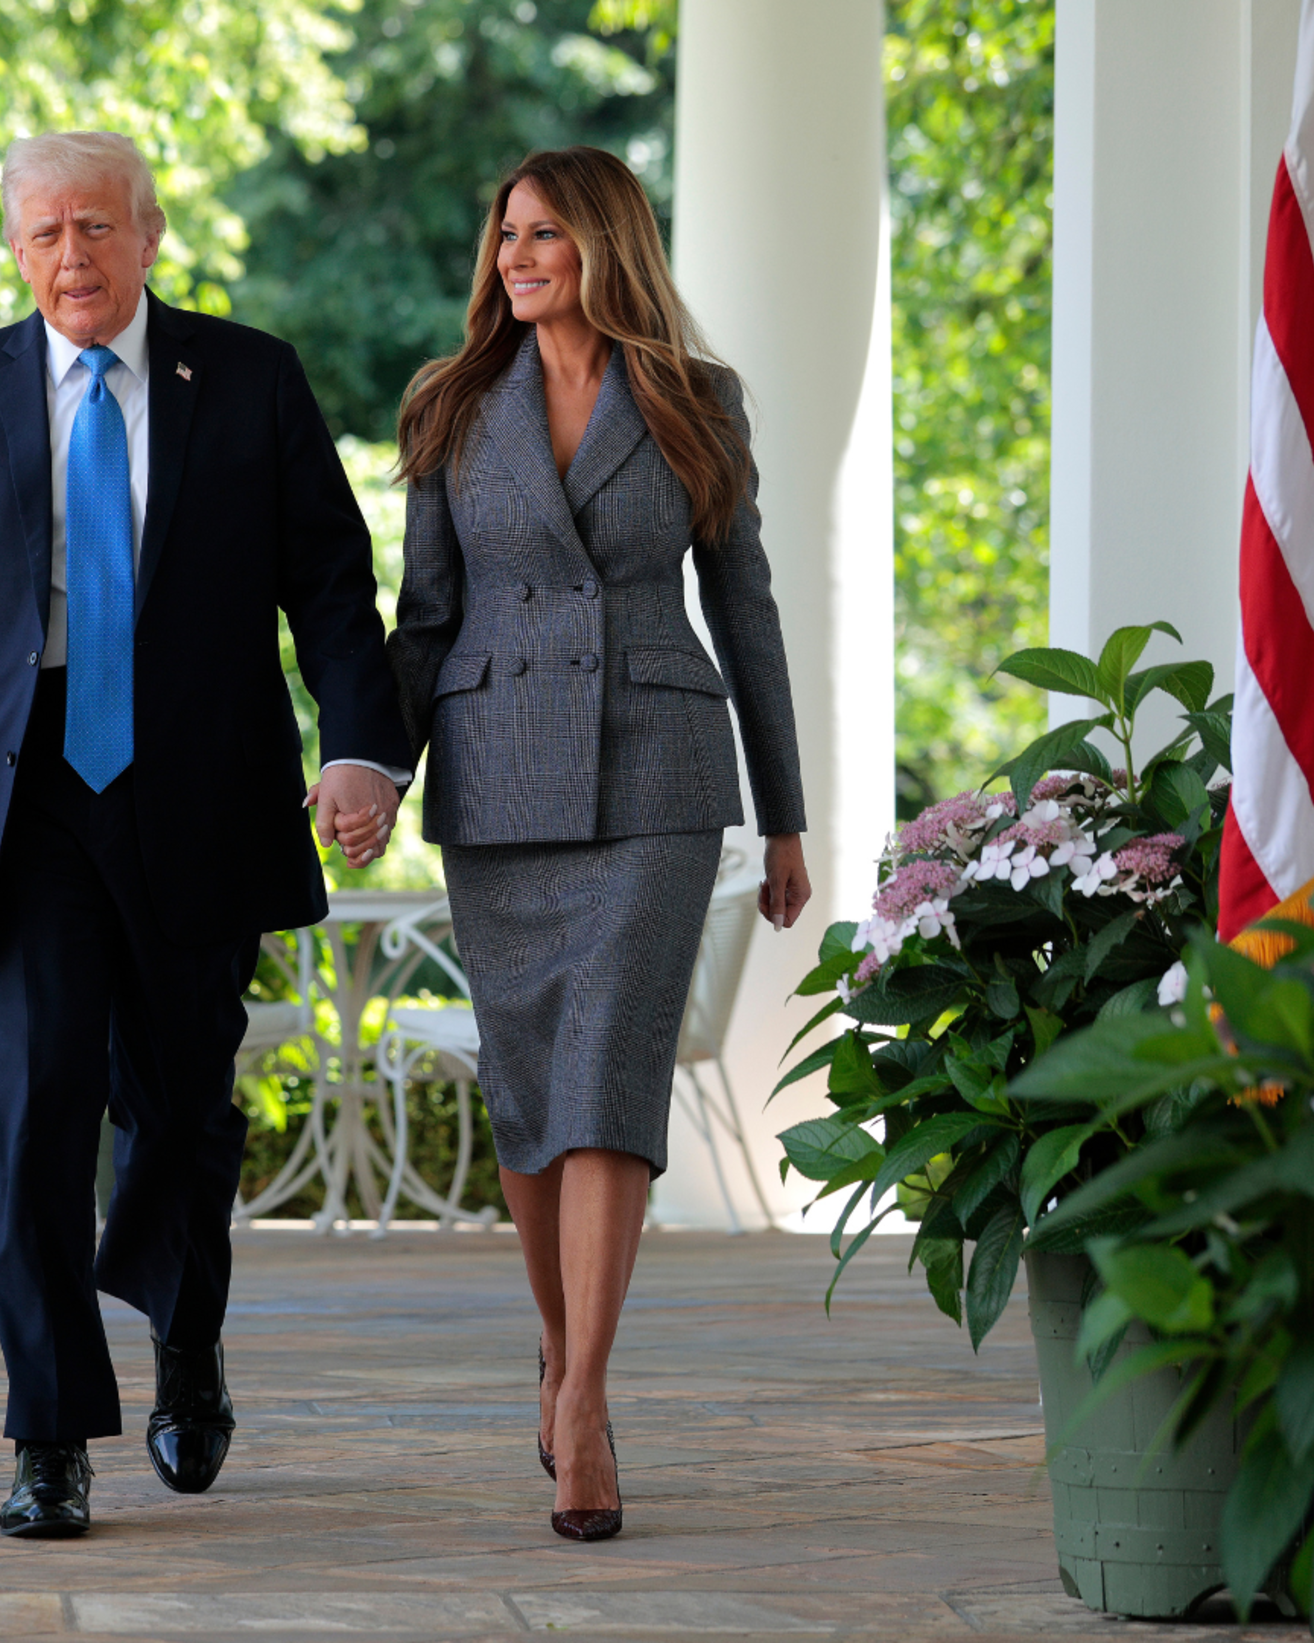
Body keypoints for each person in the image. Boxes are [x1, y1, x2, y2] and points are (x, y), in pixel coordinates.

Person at [0, 130, 411, 1539]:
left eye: (95, 229)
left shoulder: (249, 378)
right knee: (34, 1113)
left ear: (152, 234)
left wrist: (361, 750)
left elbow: (335, 590)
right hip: (15, 789)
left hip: (198, 786)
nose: (71, 259)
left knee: (180, 1107)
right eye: (44, 235)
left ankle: (184, 1338)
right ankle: (50, 1433)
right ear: (15, 250)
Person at [379, 147, 811, 1543]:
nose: (518, 255)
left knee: (610, 1071)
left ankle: (586, 1404)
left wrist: (786, 809)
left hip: (658, 770)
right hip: (499, 772)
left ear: (608, 243)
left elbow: (745, 607)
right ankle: (559, 1353)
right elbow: (424, 616)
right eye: (506, 232)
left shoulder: (696, 399)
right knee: (525, 1088)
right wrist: (375, 763)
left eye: (546, 232)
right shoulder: (448, 409)